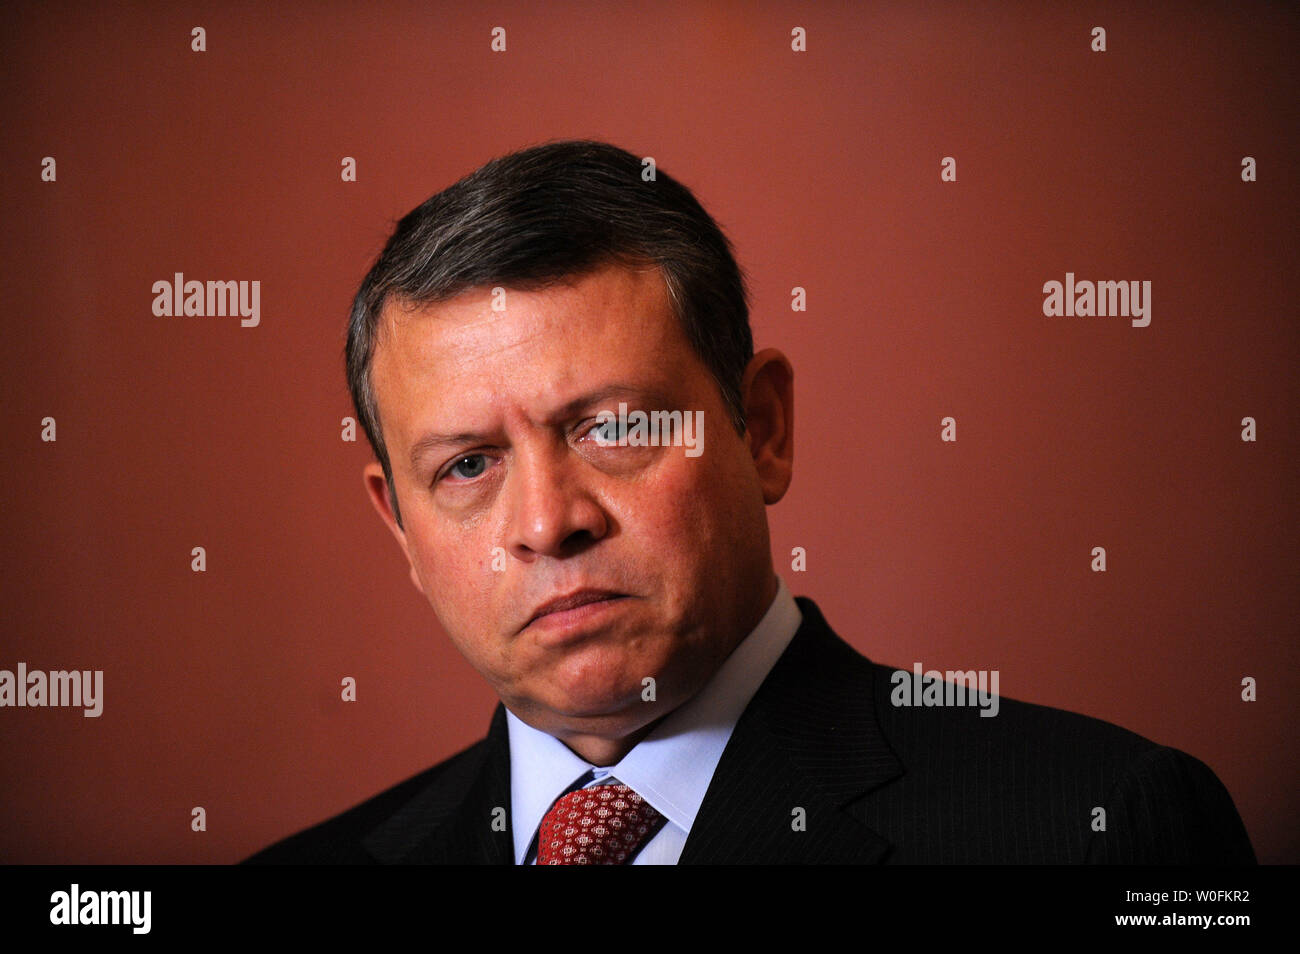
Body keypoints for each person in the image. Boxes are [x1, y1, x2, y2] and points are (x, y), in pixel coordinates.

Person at [245, 140, 1255, 864]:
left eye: (616, 427)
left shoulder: (1097, 824)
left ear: (761, 429)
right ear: (401, 529)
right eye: (467, 466)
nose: (550, 522)